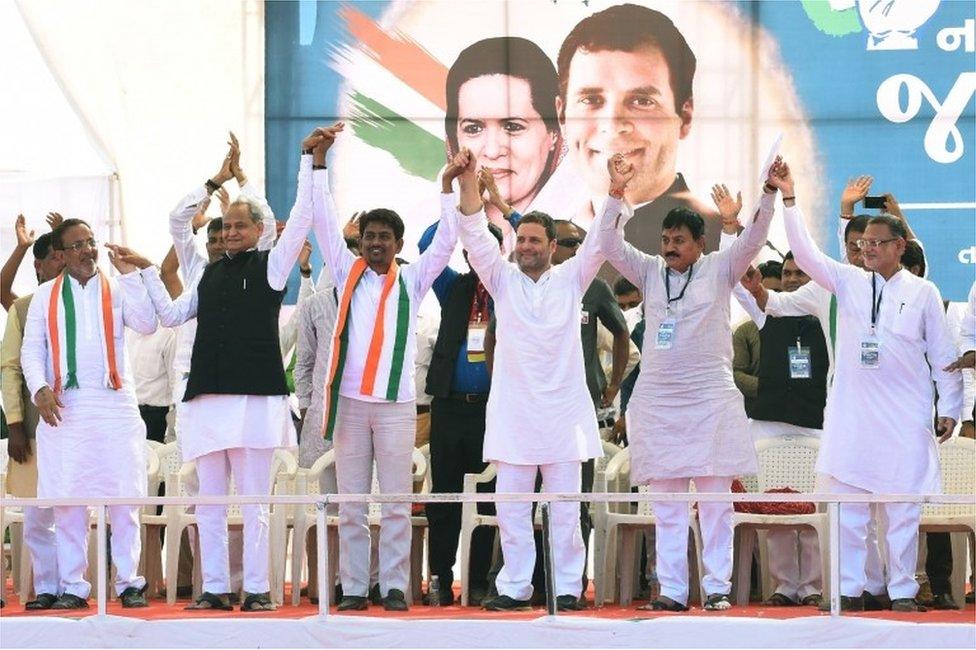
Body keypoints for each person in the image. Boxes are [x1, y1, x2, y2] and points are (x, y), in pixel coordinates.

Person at [128, 131, 320, 612]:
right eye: (224, 226)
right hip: (206, 402)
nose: (230, 232)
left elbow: (297, 218)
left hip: (254, 402)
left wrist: (301, 163)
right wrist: (148, 272)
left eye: (239, 225)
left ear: (259, 231)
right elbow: (171, 316)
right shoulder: (205, 274)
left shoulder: (273, 267)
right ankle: (214, 587)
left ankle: (255, 589)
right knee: (209, 504)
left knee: (254, 503)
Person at [598, 152, 783, 611]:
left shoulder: (721, 267)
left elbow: (756, 238)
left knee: (716, 501)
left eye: (678, 240)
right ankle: (673, 591)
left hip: (709, 397)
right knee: (667, 505)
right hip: (659, 400)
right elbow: (606, 241)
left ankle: (717, 588)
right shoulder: (648, 271)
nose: (669, 247)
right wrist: (615, 193)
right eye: (665, 239)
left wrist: (762, 197)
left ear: (700, 243)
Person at [780, 170, 963, 612]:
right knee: (850, 511)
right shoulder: (846, 282)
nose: (868, 248)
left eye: (878, 242)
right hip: (853, 418)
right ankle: (850, 590)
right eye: (863, 243)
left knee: (901, 511)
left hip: (904, 418)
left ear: (901, 247)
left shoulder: (923, 292)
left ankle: (901, 591)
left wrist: (951, 409)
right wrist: (788, 199)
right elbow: (804, 253)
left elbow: (944, 357)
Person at [457, 148, 631, 611]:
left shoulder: (574, 279)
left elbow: (598, 239)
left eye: (537, 240)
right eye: (523, 240)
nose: (528, 246)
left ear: (553, 247)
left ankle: (568, 588)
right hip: (514, 418)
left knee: (566, 512)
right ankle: (515, 588)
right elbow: (475, 236)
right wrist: (468, 182)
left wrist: (614, 193)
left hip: (563, 419)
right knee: (512, 512)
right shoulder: (501, 279)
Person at [309, 125, 460, 612]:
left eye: (385, 237)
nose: (376, 243)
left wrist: (446, 189)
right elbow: (324, 220)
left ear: (397, 243)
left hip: (396, 407)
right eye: (369, 236)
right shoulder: (343, 271)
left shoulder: (414, 281)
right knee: (352, 503)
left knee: (395, 502)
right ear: (359, 242)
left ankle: (393, 586)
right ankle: (354, 588)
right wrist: (318, 164)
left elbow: (447, 240)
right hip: (351, 405)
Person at [20, 219, 158, 609]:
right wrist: (39, 389)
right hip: (66, 410)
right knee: (68, 502)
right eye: (78, 245)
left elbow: (147, 323)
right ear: (61, 255)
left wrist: (130, 276)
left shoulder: (116, 288)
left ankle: (130, 582)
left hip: (115, 406)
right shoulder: (45, 296)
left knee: (124, 500)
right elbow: (31, 351)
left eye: (91, 242)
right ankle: (73, 586)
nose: (88, 250)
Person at [556, 2, 721, 280]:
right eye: (591, 100)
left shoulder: (721, 245)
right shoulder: (541, 241)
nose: (613, 124)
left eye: (642, 101)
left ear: (685, 116)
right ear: (562, 116)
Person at [417, 192, 506, 607]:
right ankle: (439, 578)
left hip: (494, 409)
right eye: (469, 249)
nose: (474, 256)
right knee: (445, 496)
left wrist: (489, 211)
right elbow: (424, 246)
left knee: (489, 497)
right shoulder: (453, 286)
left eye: (482, 248)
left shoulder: (510, 289)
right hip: (450, 408)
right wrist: (460, 208)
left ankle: (477, 581)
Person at [740, 252, 827, 607]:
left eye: (800, 274)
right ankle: (783, 585)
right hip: (769, 421)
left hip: (817, 421)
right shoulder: (767, 310)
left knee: (812, 510)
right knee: (778, 507)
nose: (791, 279)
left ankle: (812, 587)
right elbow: (738, 286)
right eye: (788, 273)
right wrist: (733, 232)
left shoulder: (830, 314)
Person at [445, 37, 574, 251]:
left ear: (554, 132)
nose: (493, 151)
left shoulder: (577, 229)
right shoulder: (423, 223)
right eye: (473, 129)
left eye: (513, 127)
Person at [1, 231, 64, 610]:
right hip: (37, 431)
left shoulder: (94, 303)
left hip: (80, 429)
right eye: (55, 256)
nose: (63, 262)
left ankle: (75, 586)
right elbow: (10, 369)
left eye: (66, 253)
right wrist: (14, 424)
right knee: (39, 516)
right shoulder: (22, 308)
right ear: (39, 266)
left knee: (77, 512)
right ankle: (47, 589)